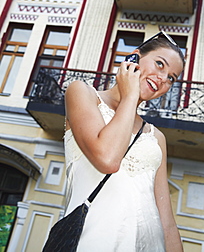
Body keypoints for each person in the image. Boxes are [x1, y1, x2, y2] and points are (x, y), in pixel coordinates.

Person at [64, 31, 185, 252]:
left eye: (171, 78)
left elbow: (167, 221)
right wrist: (130, 95)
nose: (163, 79)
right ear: (134, 58)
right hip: (93, 242)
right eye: (160, 64)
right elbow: (108, 158)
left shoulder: (157, 137)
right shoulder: (83, 93)